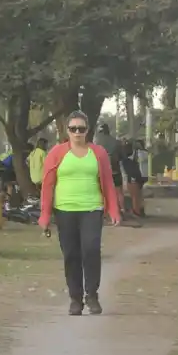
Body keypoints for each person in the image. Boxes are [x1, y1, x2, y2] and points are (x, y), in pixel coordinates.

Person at [38, 111, 121, 315]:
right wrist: (45, 215)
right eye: (73, 129)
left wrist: (113, 209)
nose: (77, 132)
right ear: (67, 131)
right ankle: (75, 299)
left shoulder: (98, 153)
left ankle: (91, 295)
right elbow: (47, 185)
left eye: (81, 129)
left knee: (91, 250)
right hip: (64, 210)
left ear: (87, 131)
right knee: (71, 254)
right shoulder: (57, 153)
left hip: (92, 209)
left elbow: (108, 182)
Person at [94, 123, 124, 215]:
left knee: (102, 191)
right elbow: (122, 156)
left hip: (102, 170)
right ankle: (121, 210)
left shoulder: (97, 143)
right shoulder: (116, 142)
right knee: (119, 191)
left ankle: (104, 212)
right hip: (115, 169)